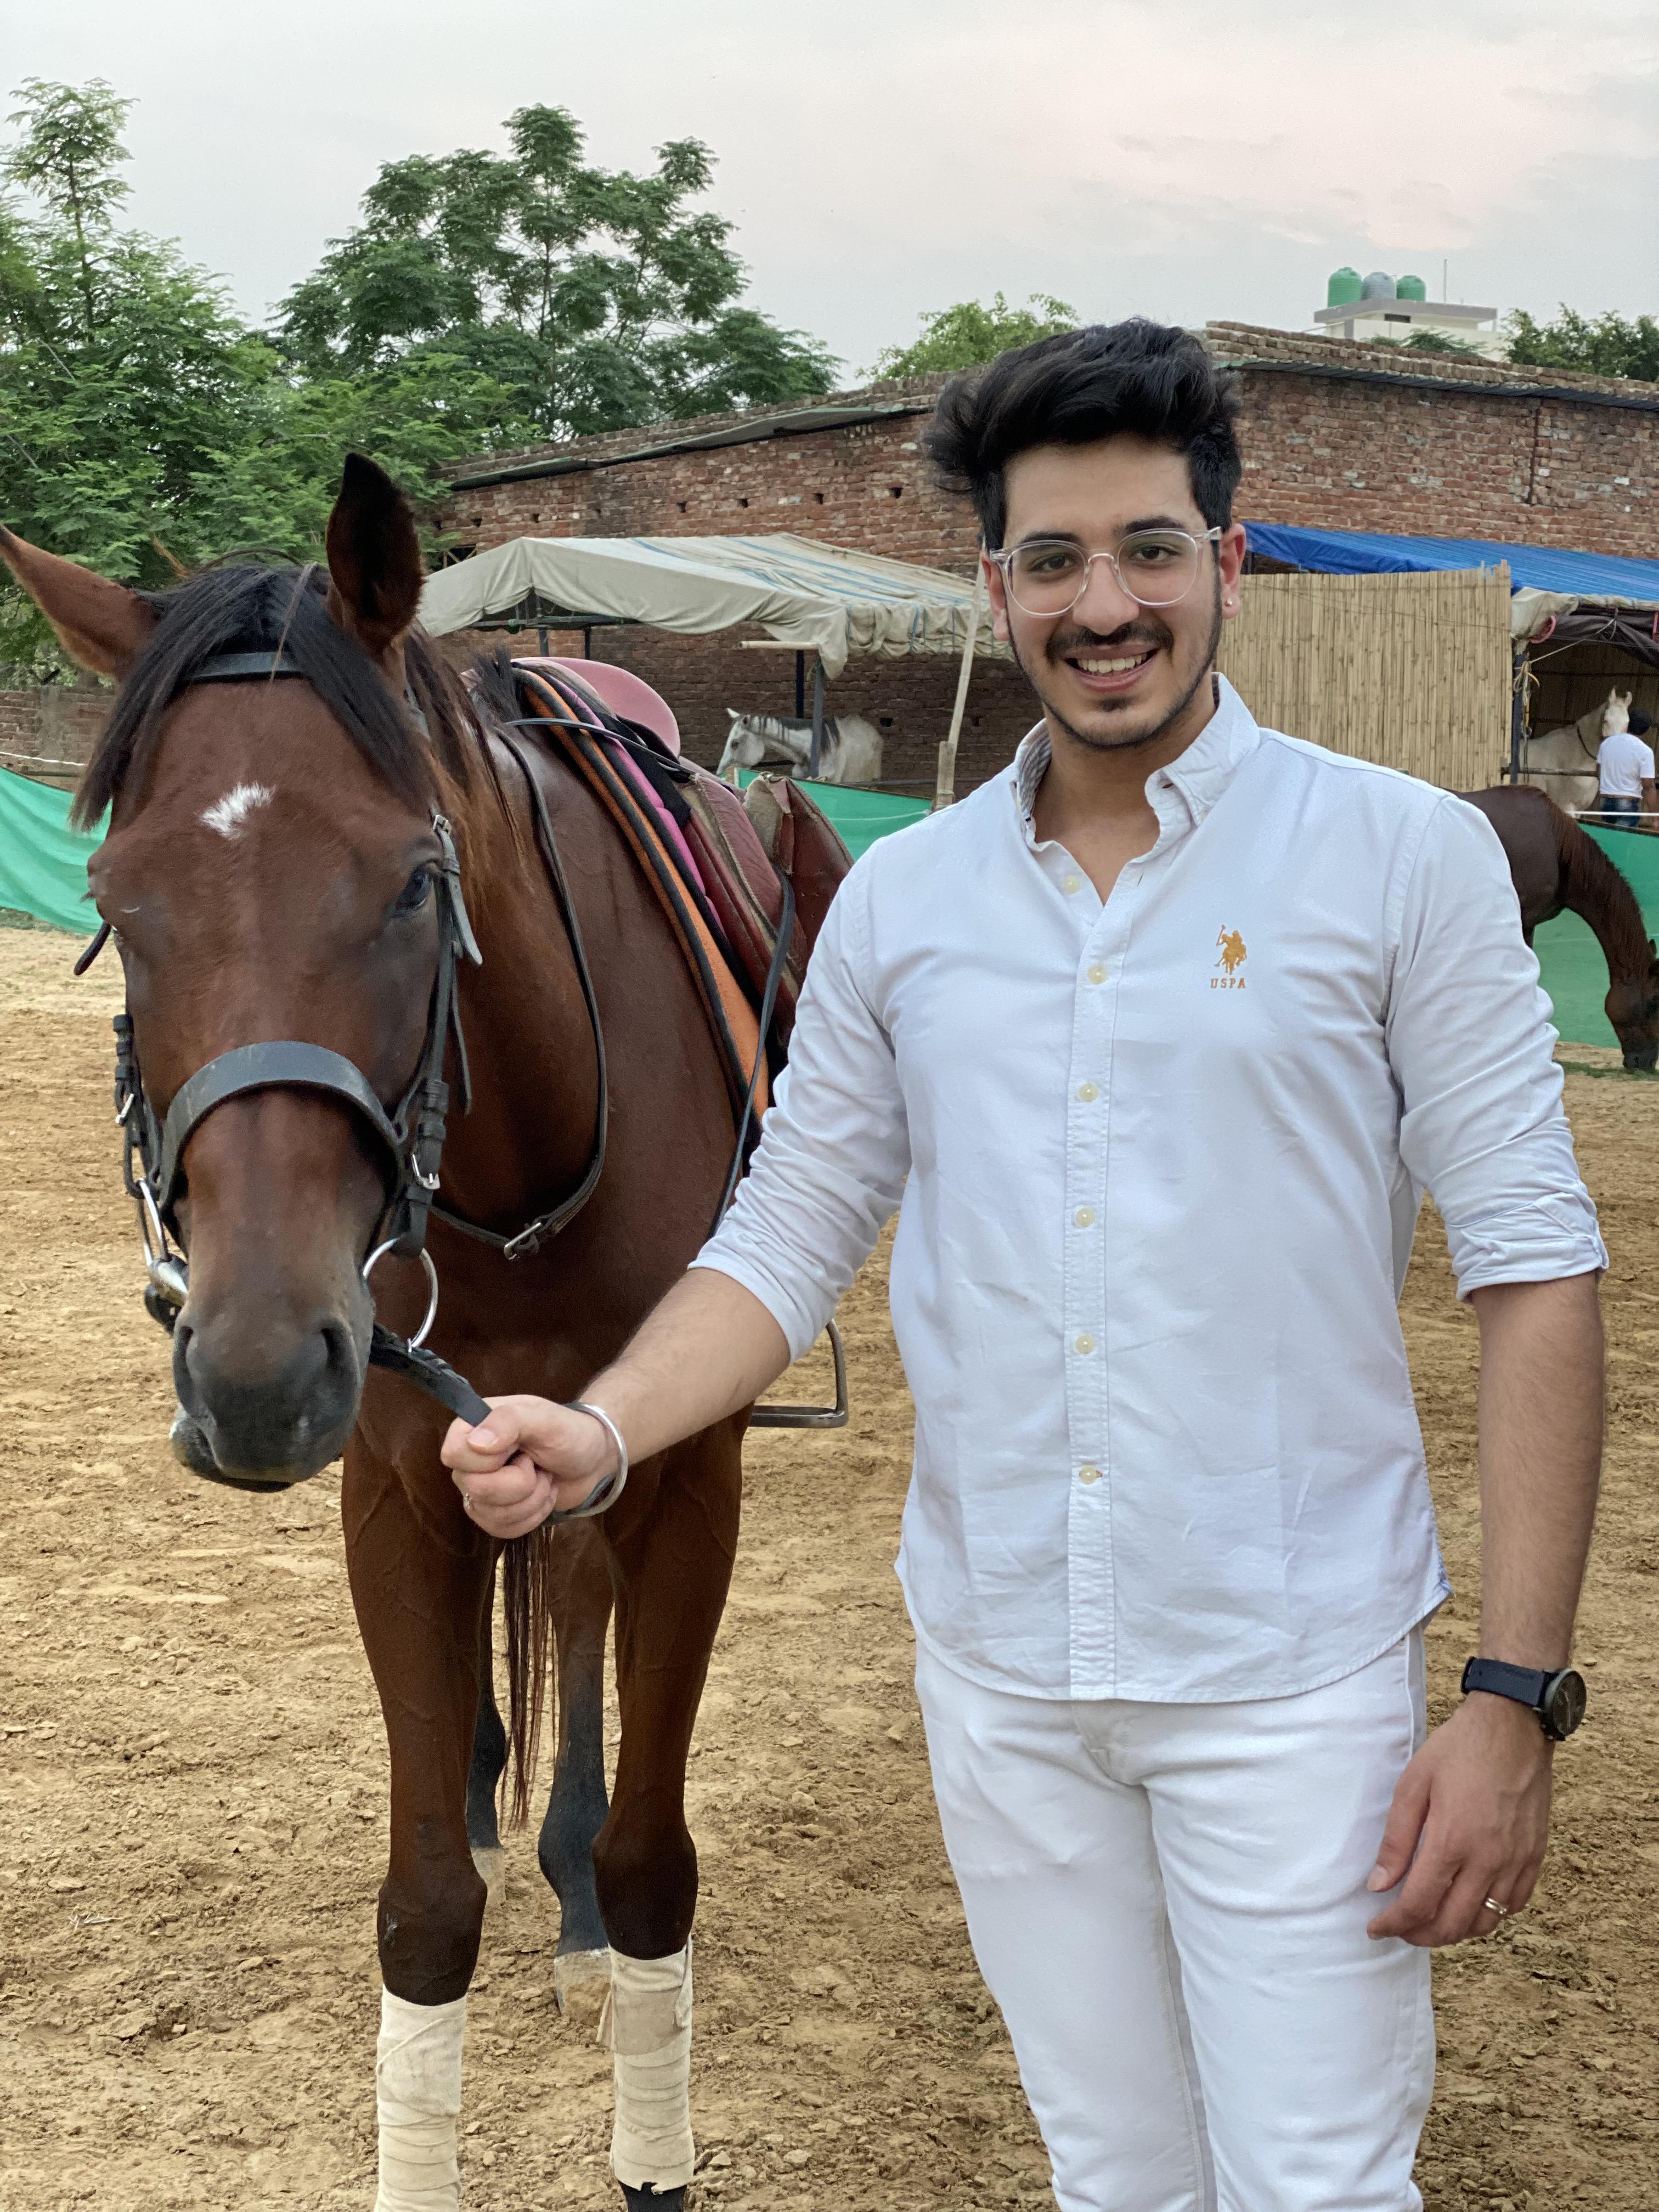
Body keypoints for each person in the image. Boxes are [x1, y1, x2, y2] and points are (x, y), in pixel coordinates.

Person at [443, 321, 1606, 2212]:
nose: (1105, 603)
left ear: (1228, 564)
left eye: (1149, 549)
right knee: (1113, 2176)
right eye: (1054, 559)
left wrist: (1512, 1693)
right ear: (996, 590)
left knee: (1315, 2182)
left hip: (1289, 1680)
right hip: (1001, 1680)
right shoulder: (907, 901)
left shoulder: (1398, 860)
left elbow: (1536, 1271)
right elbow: (787, 1231)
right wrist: (602, 1430)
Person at [1597, 706, 1656, 828]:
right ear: (1647, 730)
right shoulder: (1645, 752)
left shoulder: (1606, 744)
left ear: (1628, 723)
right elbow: (1648, 786)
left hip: (1606, 803)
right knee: (1622, 840)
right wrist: (1656, 817)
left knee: (1608, 838)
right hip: (1628, 804)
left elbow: (1599, 772)